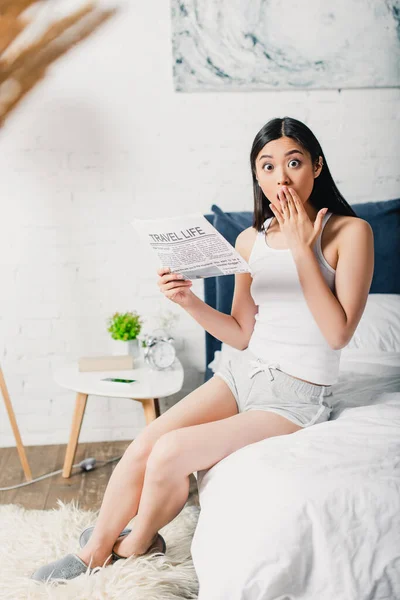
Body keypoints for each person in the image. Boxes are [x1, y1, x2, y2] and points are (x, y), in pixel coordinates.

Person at [31, 116, 374, 582]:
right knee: (144, 446)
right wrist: (187, 300)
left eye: (293, 162)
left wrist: (301, 251)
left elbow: (338, 334)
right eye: (268, 166)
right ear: (257, 177)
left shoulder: (351, 233)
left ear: (316, 166)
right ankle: (95, 549)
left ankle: (133, 545)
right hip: (243, 374)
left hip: (296, 395)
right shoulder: (250, 239)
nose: (282, 178)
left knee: (172, 453)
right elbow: (241, 333)